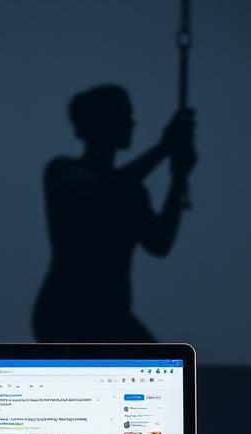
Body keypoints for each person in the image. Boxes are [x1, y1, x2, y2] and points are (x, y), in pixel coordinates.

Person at [32, 85, 196, 342]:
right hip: (66, 314)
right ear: (102, 122)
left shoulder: (134, 191)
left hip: (111, 314)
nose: (133, 122)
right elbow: (104, 188)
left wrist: (178, 178)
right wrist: (164, 148)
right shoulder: (62, 172)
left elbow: (159, 243)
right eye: (125, 114)